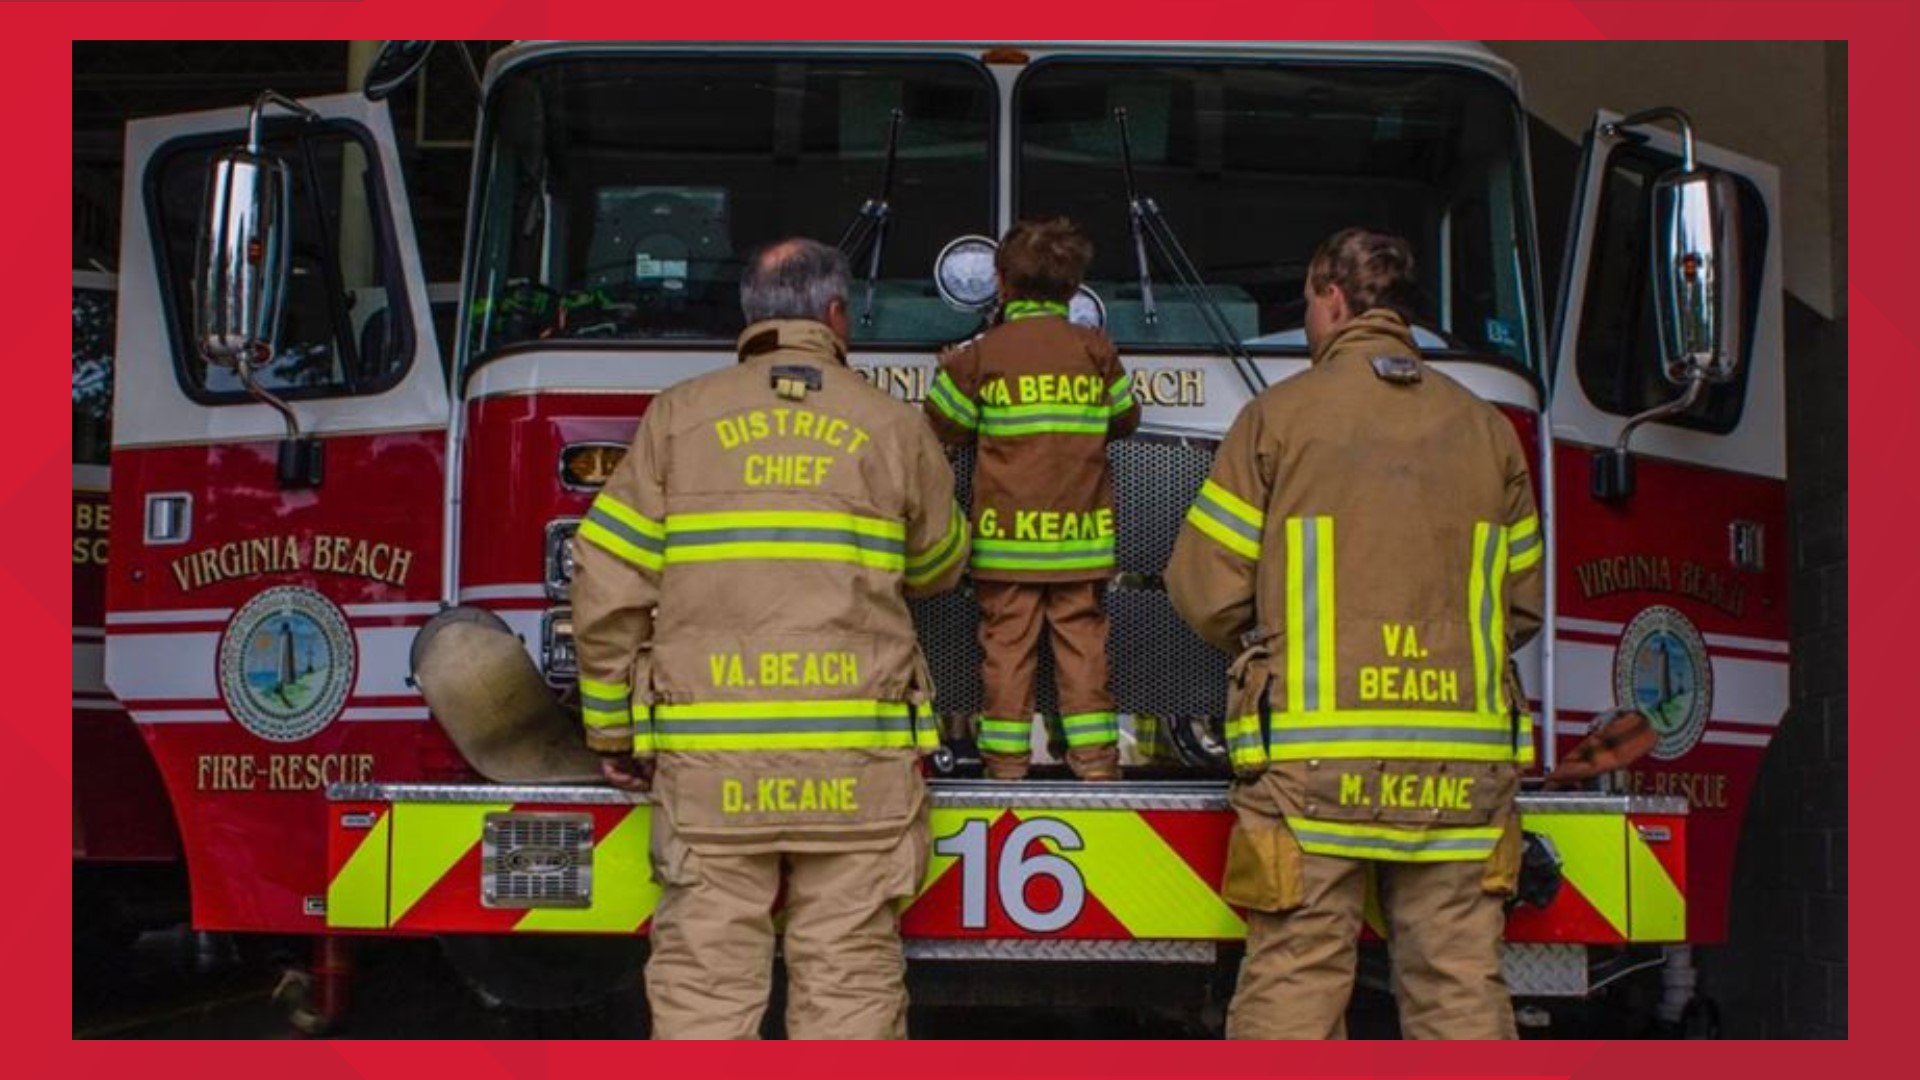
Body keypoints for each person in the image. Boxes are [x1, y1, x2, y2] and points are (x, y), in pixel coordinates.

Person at [569, 238, 968, 1039]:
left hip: (713, 776)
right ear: (834, 317)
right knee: (850, 981)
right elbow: (940, 565)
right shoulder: (890, 423)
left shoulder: (676, 418)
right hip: (855, 772)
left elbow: (606, 581)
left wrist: (612, 727)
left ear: (749, 319)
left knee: (706, 988)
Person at [1165, 228, 1543, 1039]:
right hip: (1460, 771)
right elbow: (1522, 604)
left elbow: (1202, 586)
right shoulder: (1488, 431)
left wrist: (1271, 650)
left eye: (1306, 302)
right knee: (1460, 986)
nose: (1307, 318)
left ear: (1333, 298)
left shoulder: (1279, 418)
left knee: (1296, 979)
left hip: (1311, 767)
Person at [923, 218, 1141, 781]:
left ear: (1000, 283)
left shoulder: (981, 355)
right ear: (1073, 289)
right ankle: (1095, 762)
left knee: (1007, 652)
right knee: (1084, 650)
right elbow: (1125, 419)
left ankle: (1006, 765)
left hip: (1007, 547)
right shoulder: (1096, 351)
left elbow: (945, 424)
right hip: (1079, 547)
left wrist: (947, 369)